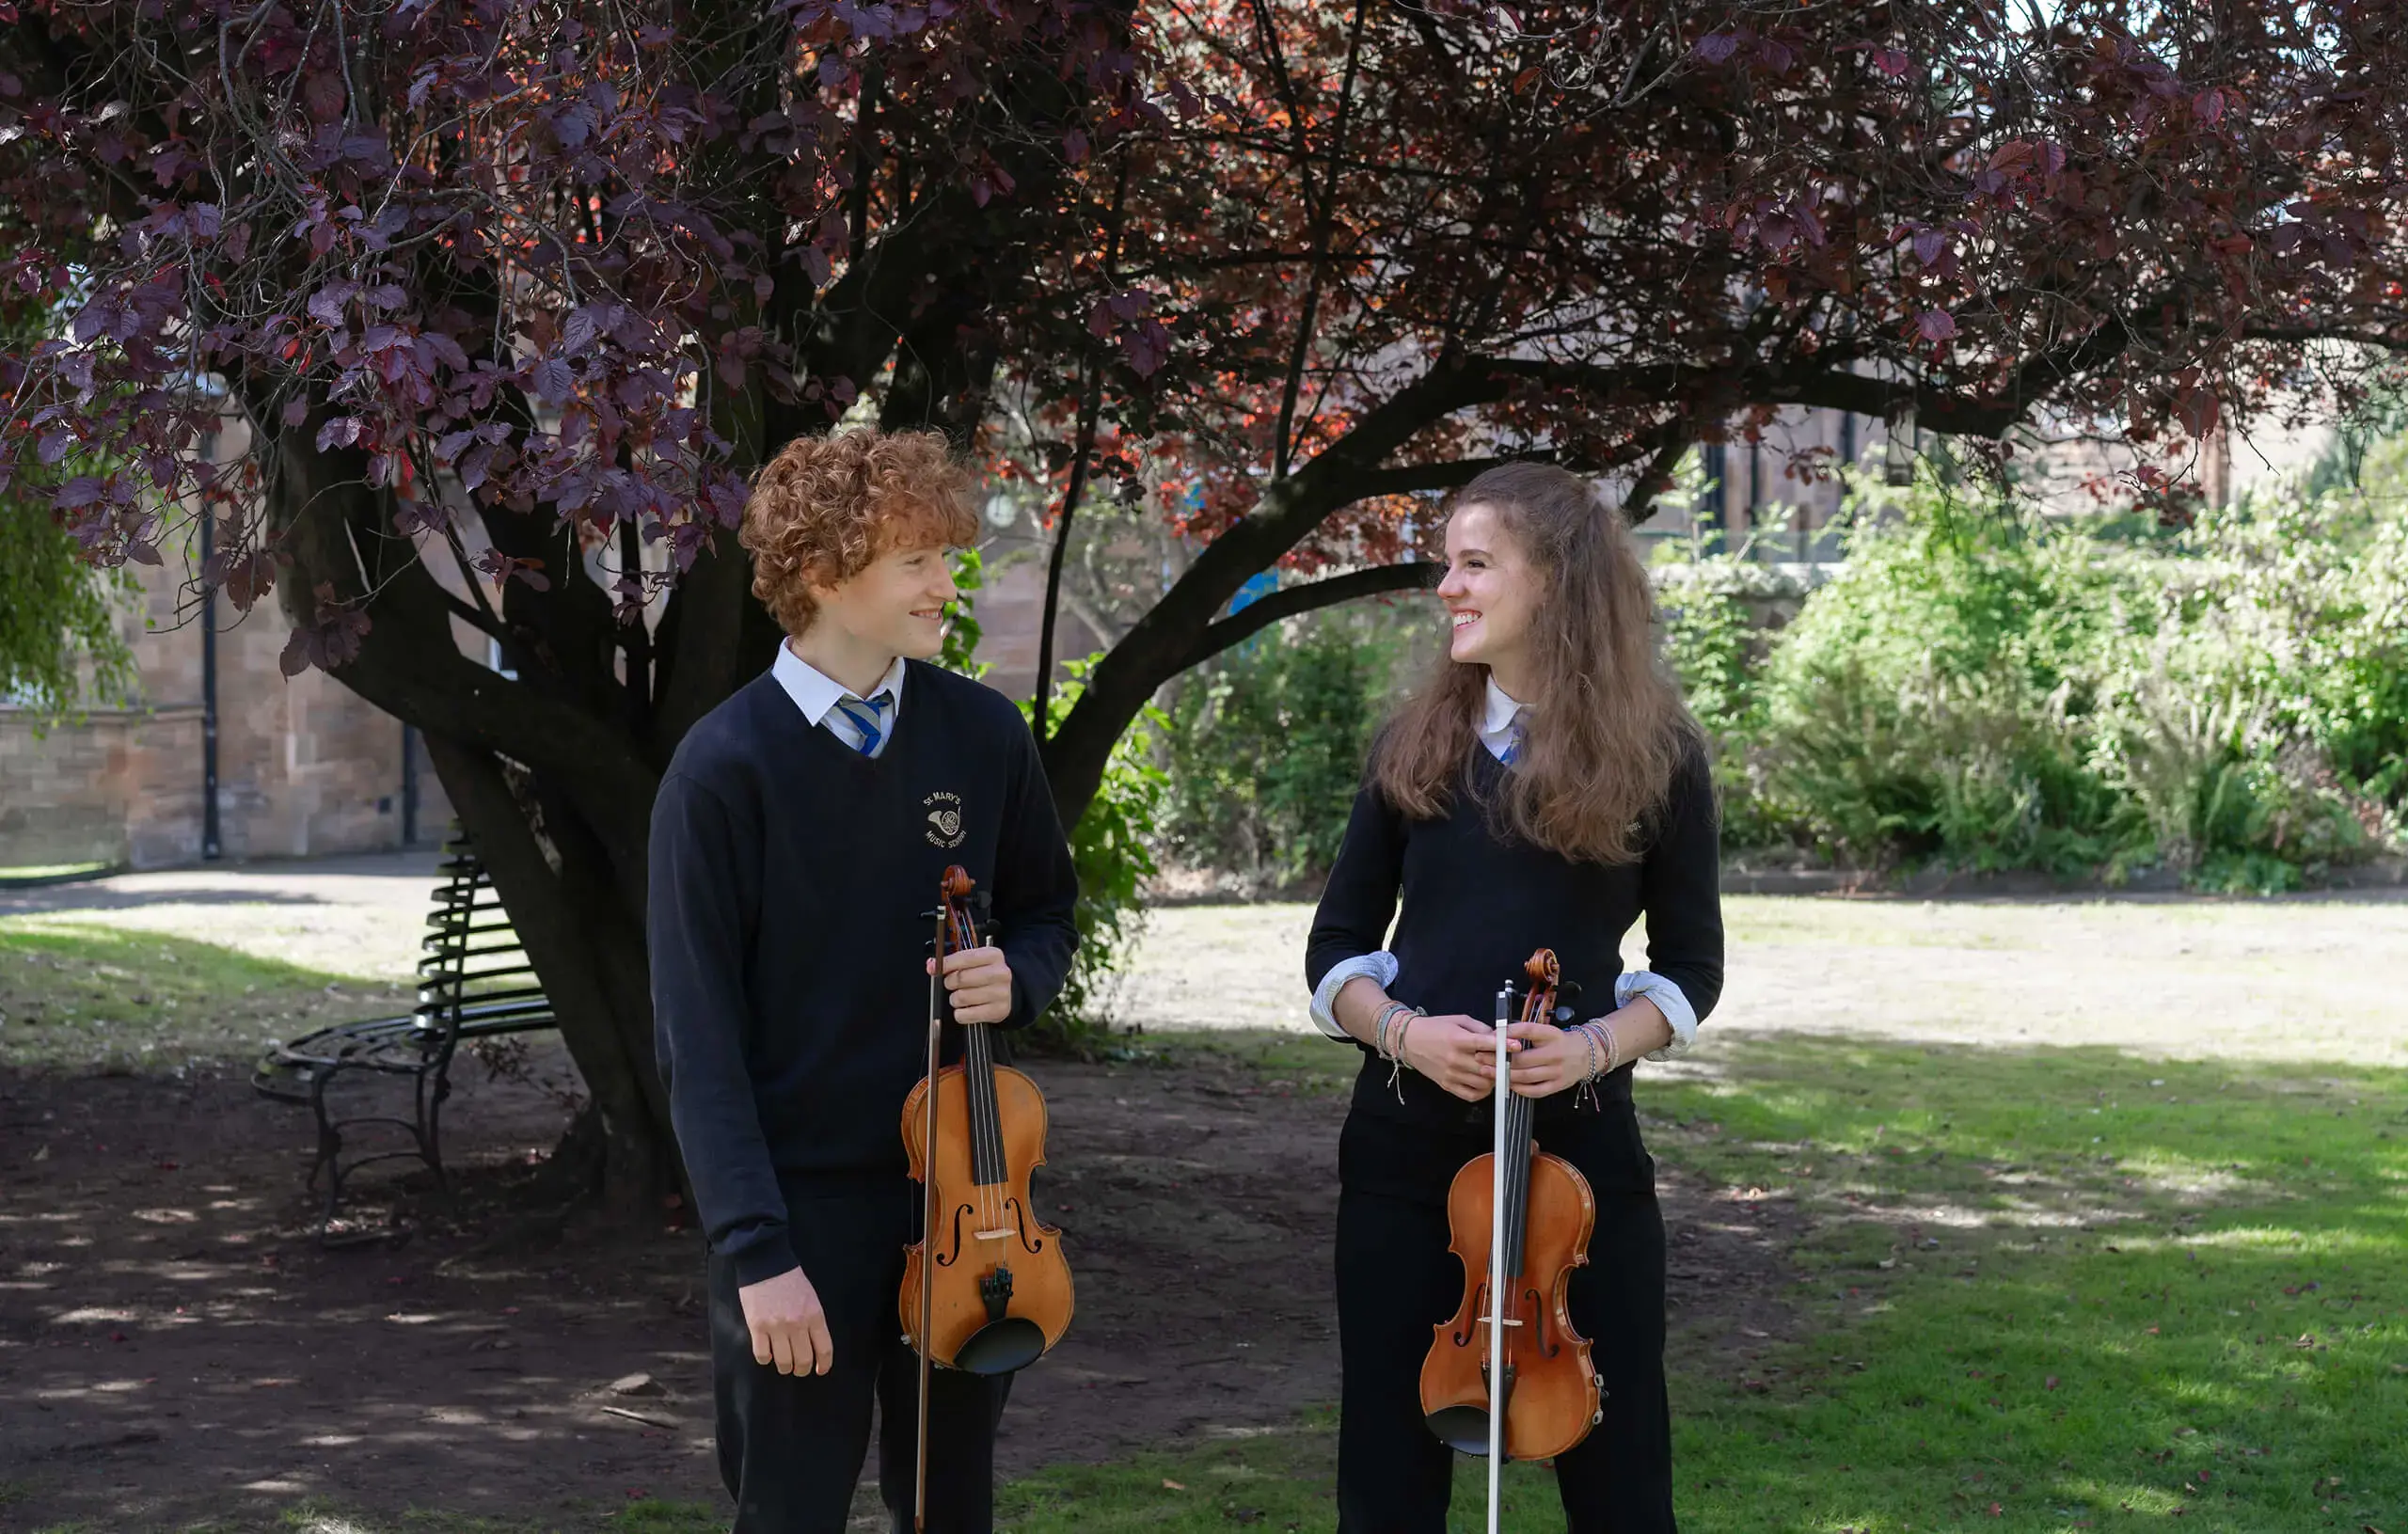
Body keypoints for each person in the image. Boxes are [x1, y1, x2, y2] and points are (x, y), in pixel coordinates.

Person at [648, 428, 1080, 1534]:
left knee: (951, 1508)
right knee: (789, 1510)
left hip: (972, 1206)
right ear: (825, 573)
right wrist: (758, 1256)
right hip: (801, 1219)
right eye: (917, 560)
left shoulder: (981, 733)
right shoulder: (721, 769)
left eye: (946, 555)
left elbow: (1044, 915)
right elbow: (699, 1045)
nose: (947, 583)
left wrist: (1015, 978)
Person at [1304, 462, 1723, 1532]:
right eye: (1449, 563)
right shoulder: (1413, 749)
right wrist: (1402, 1032)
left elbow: (1689, 968)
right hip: (1405, 1163)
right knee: (1388, 1481)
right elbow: (1337, 949)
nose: (1447, 584)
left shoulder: (1662, 758)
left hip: (1580, 1174)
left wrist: (1590, 1048)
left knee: (1621, 1480)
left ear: (1558, 581)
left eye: (1475, 563)